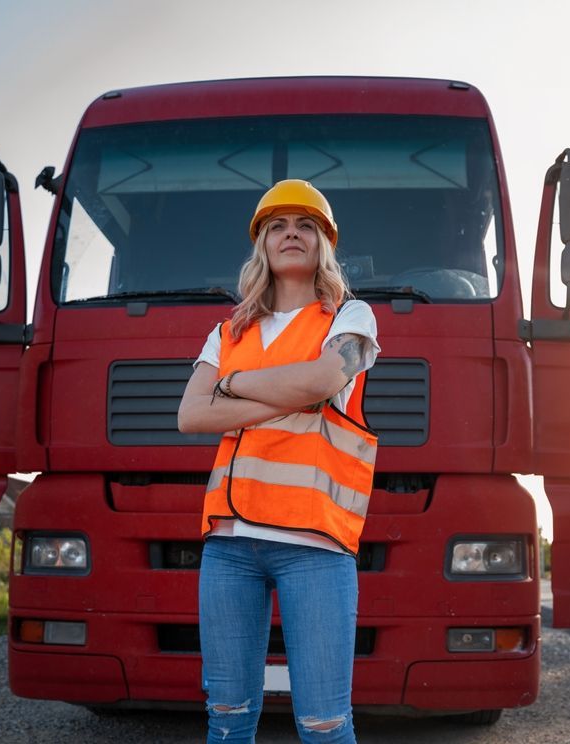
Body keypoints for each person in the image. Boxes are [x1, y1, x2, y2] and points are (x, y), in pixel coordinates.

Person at [178, 179, 379, 743]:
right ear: (262, 245)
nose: (292, 233)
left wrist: (233, 387)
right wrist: (288, 393)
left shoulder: (351, 318)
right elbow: (191, 415)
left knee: (324, 724)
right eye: (278, 226)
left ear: (324, 245)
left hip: (314, 548)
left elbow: (321, 379)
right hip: (228, 547)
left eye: (305, 226)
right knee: (227, 720)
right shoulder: (227, 332)